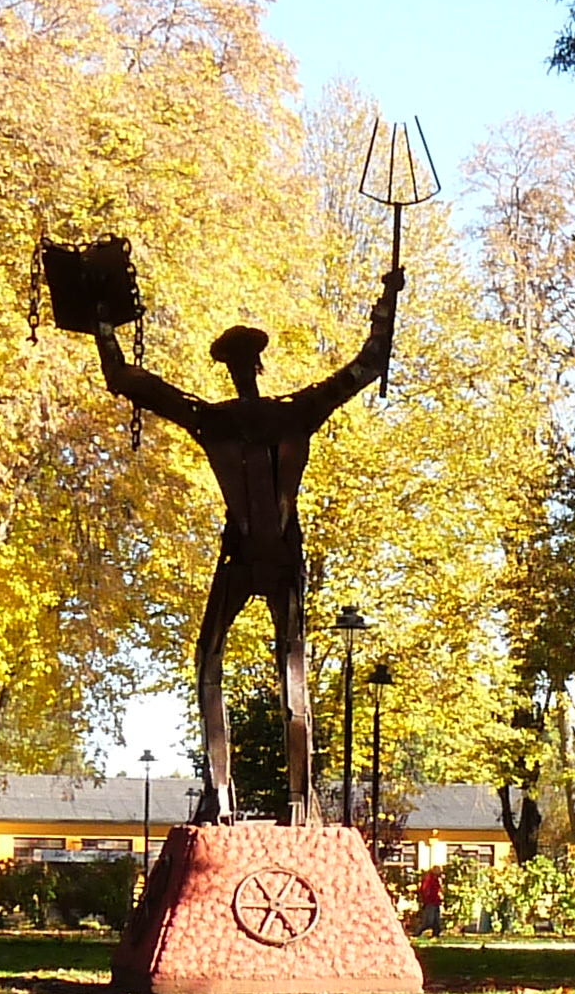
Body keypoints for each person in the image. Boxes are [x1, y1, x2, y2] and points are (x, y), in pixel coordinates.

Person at [87, 265, 402, 824]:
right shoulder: (269, 416)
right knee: (237, 665)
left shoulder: (228, 419)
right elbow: (366, 364)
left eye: (238, 365)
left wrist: (104, 326)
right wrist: (384, 304)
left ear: (244, 369)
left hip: (268, 559)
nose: (240, 373)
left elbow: (131, 382)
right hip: (257, 557)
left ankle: (284, 799)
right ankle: (239, 795)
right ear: (254, 367)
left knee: (275, 670)